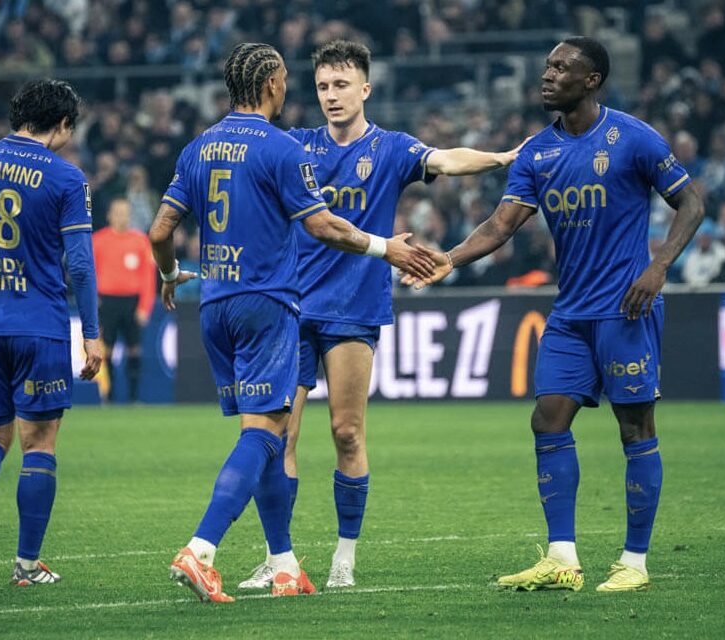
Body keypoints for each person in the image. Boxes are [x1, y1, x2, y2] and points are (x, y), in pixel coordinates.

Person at [406, 36, 704, 592]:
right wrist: (448, 259)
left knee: (635, 427)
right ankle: (562, 558)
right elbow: (500, 225)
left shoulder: (633, 138)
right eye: (546, 66)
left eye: (561, 67)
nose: (547, 75)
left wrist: (659, 266)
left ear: (592, 80)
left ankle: (634, 562)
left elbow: (692, 201)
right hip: (570, 314)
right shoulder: (537, 152)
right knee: (547, 419)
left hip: (625, 308)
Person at [149, 42, 434, 603]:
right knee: (265, 434)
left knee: (272, 433)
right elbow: (323, 226)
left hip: (213, 305)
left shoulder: (198, 147)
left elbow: (159, 231)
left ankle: (283, 564)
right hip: (268, 305)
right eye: (286, 79)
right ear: (272, 84)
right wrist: (387, 248)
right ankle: (201, 549)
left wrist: (169, 274)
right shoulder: (283, 147)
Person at [239, 39, 524, 591]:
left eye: (342, 85)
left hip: (354, 307)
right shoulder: (296, 145)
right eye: (323, 86)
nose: (331, 95)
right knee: (280, 438)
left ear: (365, 89)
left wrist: (501, 158)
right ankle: (279, 559)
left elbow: (445, 160)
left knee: (347, 432)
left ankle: (344, 557)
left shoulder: (390, 148)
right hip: (291, 307)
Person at [0, 79, 104, 587]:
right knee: (39, 444)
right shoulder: (66, 177)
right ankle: (27, 565)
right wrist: (92, 332)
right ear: (63, 124)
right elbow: (80, 264)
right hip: (39, 327)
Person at [91, 197, 155, 403]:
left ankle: (133, 398)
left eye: (126, 213)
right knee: (106, 349)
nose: (122, 217)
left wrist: (145, 306)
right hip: (106, 302)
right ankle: (108, 398)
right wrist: (93, 299)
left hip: (132, 302)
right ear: (109, 215)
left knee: (134, 349)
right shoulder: (97, 240)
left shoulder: (140, 240)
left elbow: (148, 276)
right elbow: (88, 273)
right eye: (118, 213)